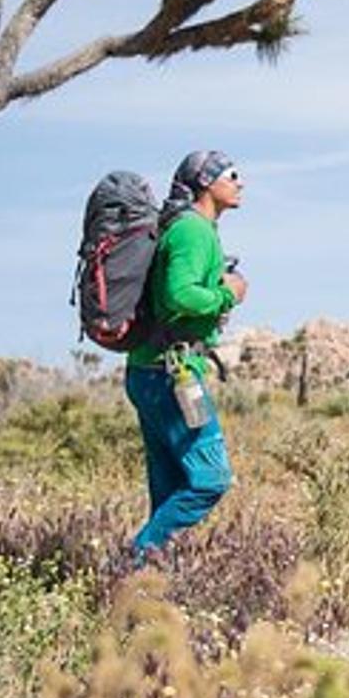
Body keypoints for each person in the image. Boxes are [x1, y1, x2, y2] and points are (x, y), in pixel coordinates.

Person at [125, 150, 246, 560]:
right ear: (206, 183)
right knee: (210, 478)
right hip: (172, 374)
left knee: (170, 482)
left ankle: (148, 583)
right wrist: (229, 293)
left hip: (149, 368)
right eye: (231, 174)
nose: (240, 182)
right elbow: (180, 293)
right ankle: (138, 558)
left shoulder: (182, 228)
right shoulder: (194, 230)